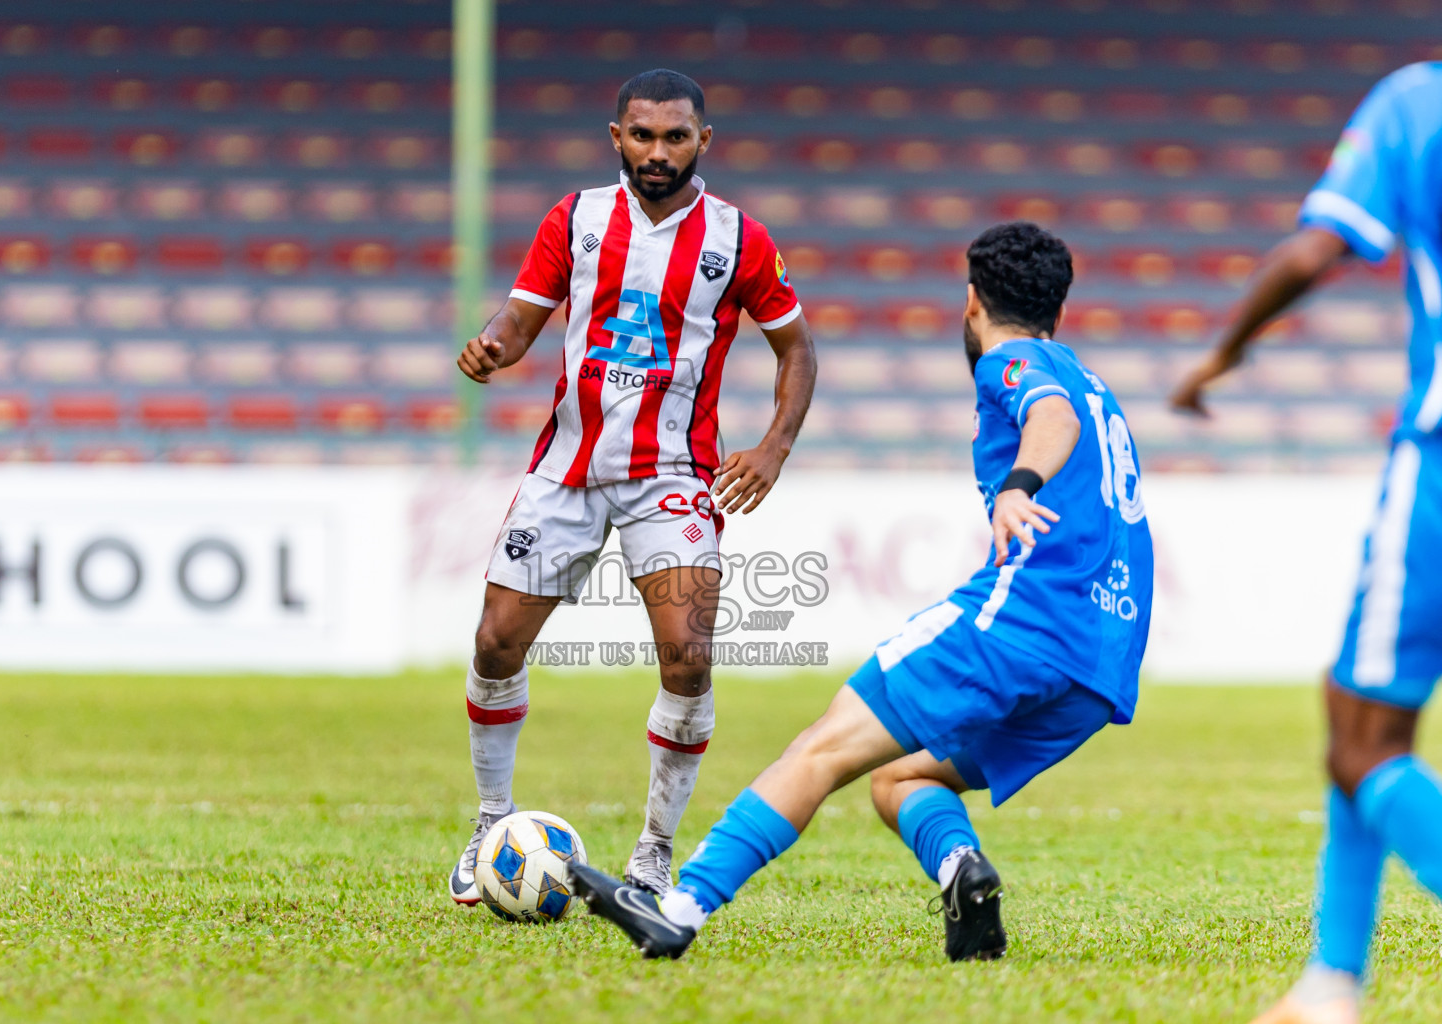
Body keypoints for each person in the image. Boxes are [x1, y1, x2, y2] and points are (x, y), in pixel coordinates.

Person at [570, 222, 1153, 962]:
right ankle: (961, 872)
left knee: (822, 749)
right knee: (899, 778)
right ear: (1059, 309)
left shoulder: (1011, 361)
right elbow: (1073, 423)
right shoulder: (1090, 380)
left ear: (972, 302)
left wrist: (1018, 487)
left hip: (1024, 621)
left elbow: (1050, 418)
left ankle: (680, 907)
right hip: (1100, 667)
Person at [448, 68, 817, 903]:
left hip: (674, 476)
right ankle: (491, 822)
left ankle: (654, 851)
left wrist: (773, 448)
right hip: (567, 470)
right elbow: (521, 317)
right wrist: (493, 346)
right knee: (495, 641)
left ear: (703, 142)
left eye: (675, 136)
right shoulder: (574, 219)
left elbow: (797, 350)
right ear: (616, 137)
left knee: (688, 657)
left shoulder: (739, 239)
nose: (658, 152)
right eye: (642, 136)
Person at [1171, 63, 1442, 1024]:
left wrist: (1224, 350)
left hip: (1440, 460)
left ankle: (1333, 980)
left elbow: (1316, 249)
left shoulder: (1417, 102)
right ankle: (1332, 982)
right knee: (1364, 717)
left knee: (1361, 735)